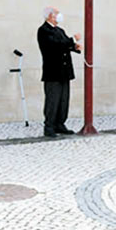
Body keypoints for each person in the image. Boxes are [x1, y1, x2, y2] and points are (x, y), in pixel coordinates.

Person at [37, 7, 81, 138]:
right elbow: (54, 45)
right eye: (56, 13)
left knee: (63, 100)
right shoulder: (44, 30)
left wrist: (74, 47)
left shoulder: (60, 30)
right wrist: (72, 39)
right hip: (53, 71)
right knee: (53, 100)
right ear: (50, 16)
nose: (59, 15)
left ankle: (60, 124)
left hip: (64, 71)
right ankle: (49, 126)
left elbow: (64, 44)